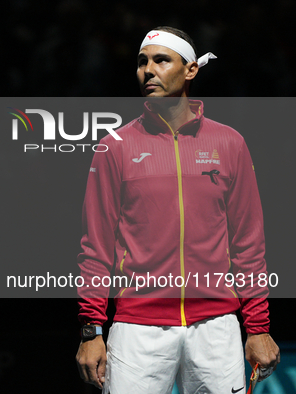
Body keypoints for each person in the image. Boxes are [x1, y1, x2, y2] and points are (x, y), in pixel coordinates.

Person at [75, 26, 280, 393]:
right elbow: (96, 247)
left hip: (216, 329)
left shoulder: (229, 143)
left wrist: (259, 327)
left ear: (190, 70)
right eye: (141, 62)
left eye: (160, 60)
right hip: (136, 331)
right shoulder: (114, 147)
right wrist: (92, 329)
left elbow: (249, 244)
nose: (147, 70)